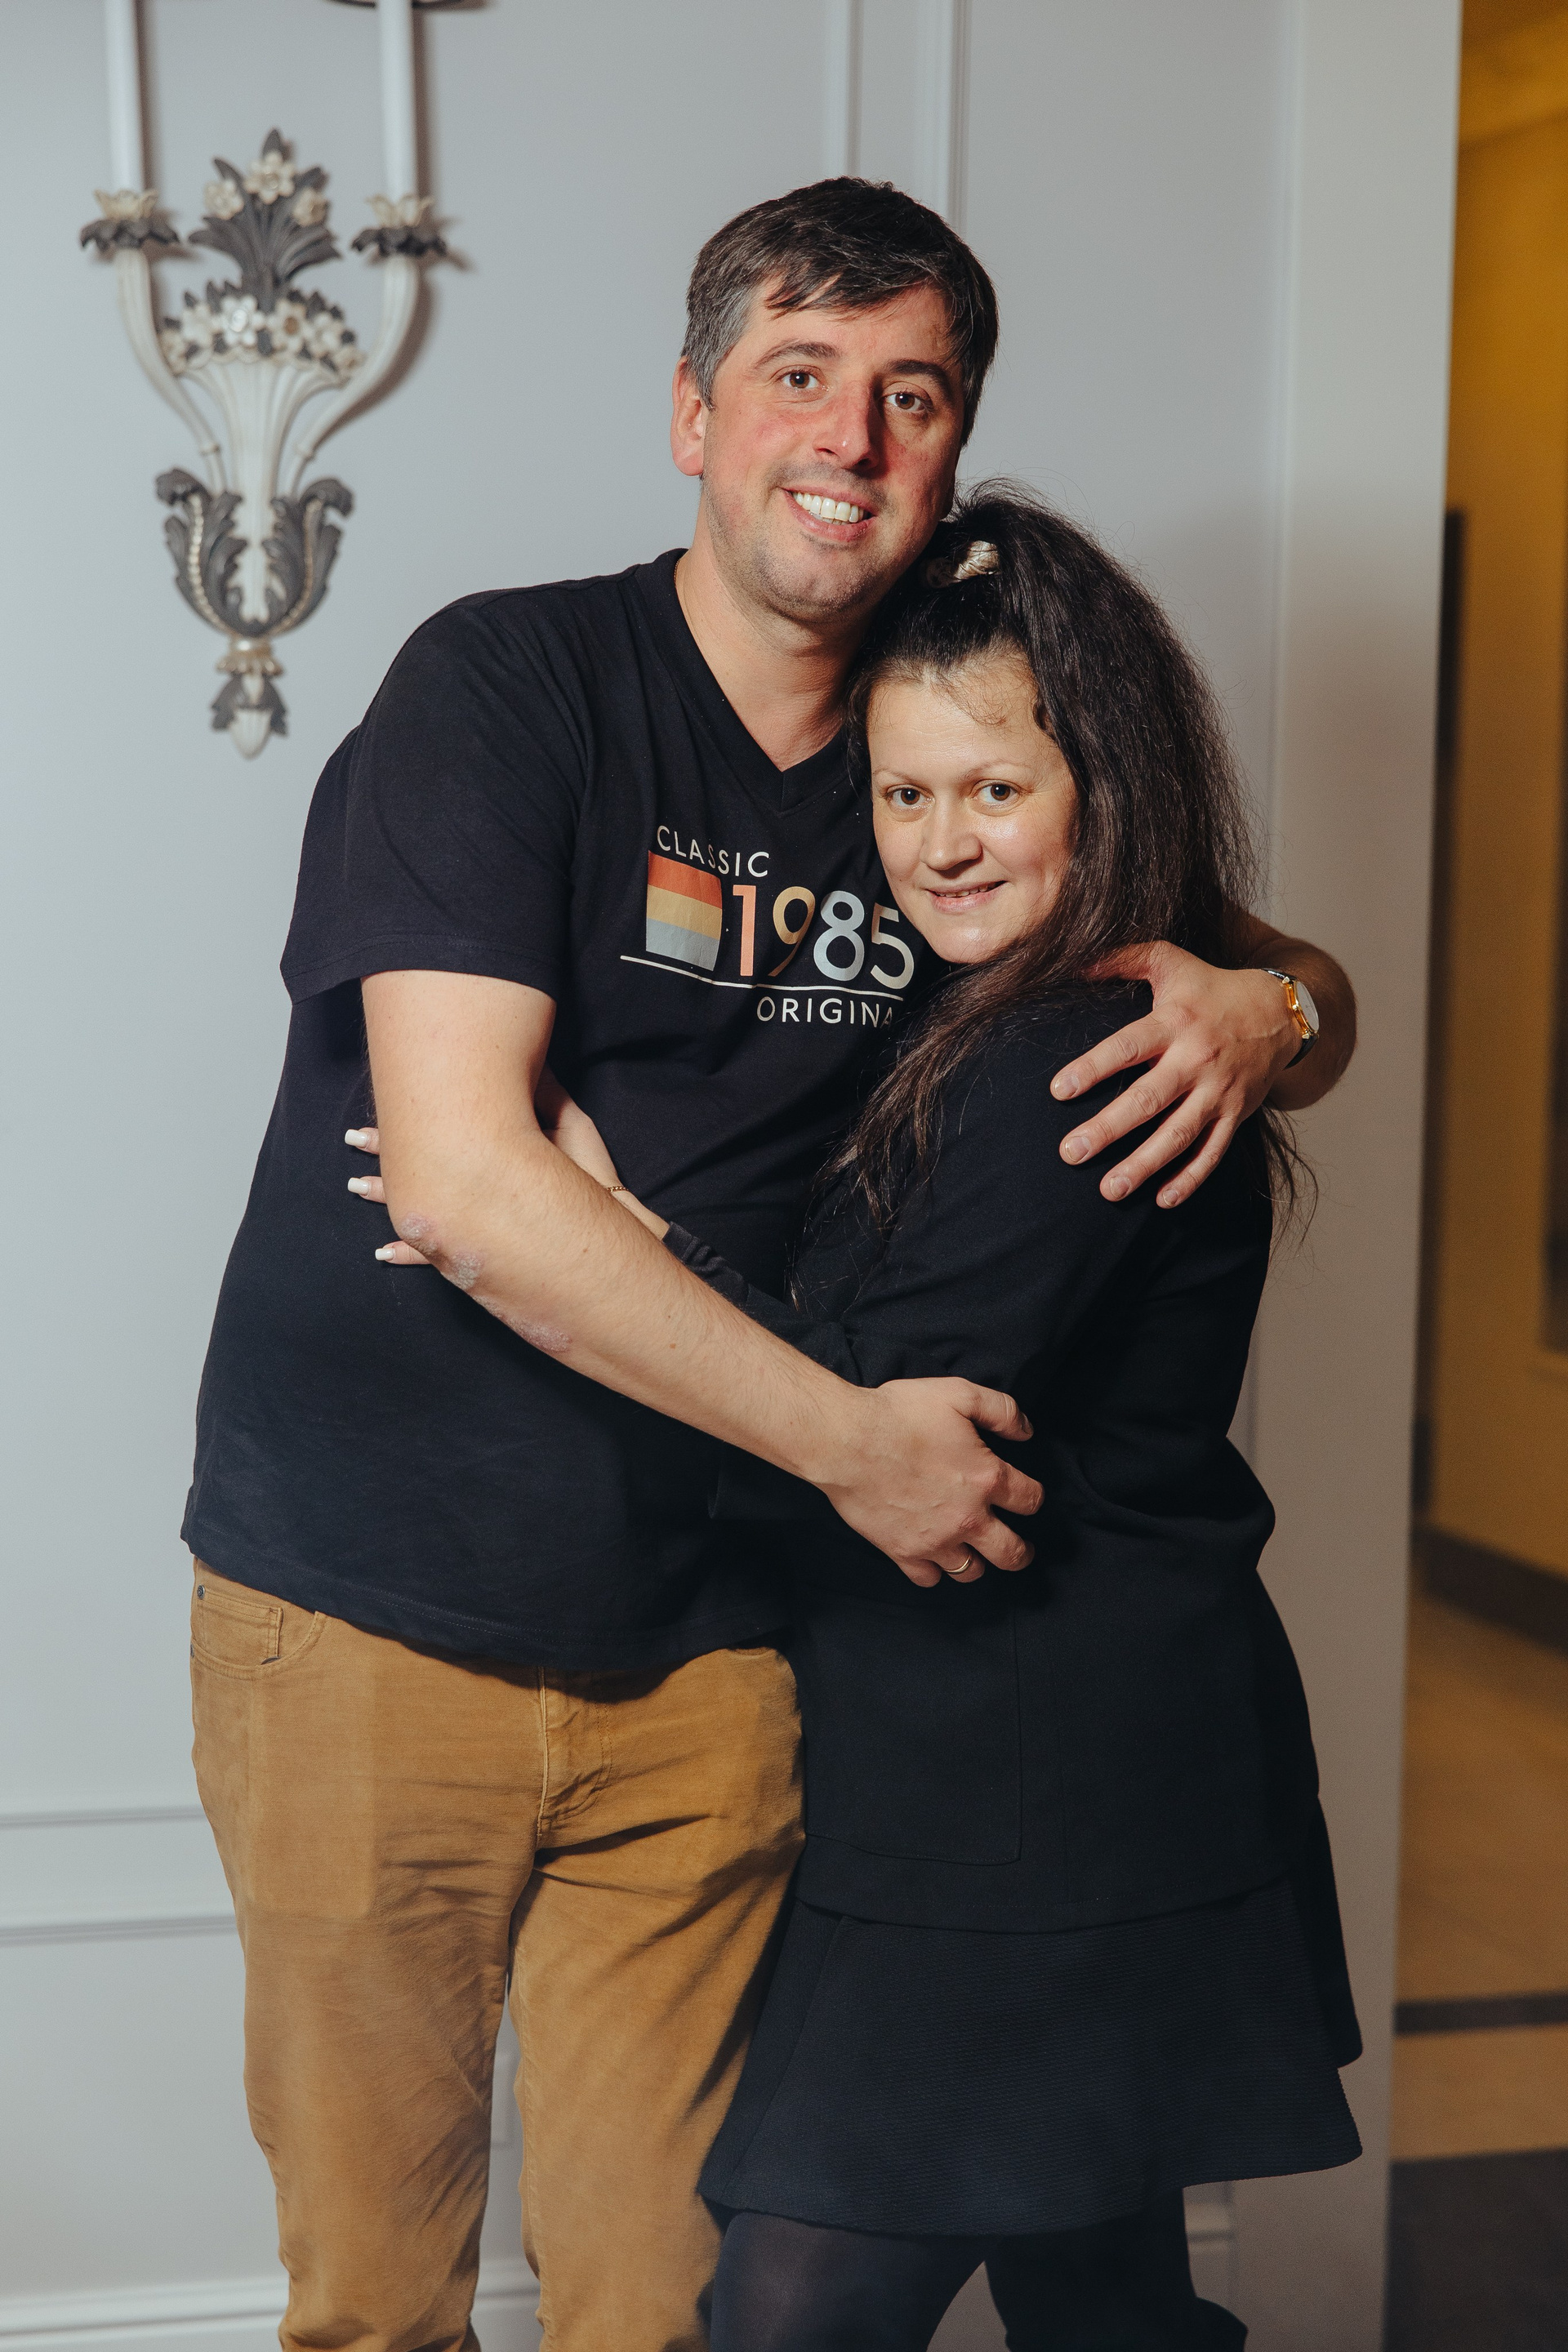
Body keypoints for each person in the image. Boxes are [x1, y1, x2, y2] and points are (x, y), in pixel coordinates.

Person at [187, 181, 1355, 2352]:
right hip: (376, 1611)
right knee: (376, 2304)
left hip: (722, 1655)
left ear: (956, 441)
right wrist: (852, 1441)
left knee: (671, 2305)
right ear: (694, 413)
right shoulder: (510, 683)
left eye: (914, 394)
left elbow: (1182, 937)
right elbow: (463, 1182)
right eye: (801, 374)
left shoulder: (935, 754)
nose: (852, 436)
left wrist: (1277, 1000)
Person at [546, 488, 1362, 2350]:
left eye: (995, 788)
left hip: (1028, 1792)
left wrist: (620, 1235)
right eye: (904, 793)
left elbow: (883, 1416)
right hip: (1070, 1754)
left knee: (797, 2309)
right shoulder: (1010, 1010)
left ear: (1103, 787)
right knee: (1102, 2292)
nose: (942, 842)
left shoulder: (1074, 1046)